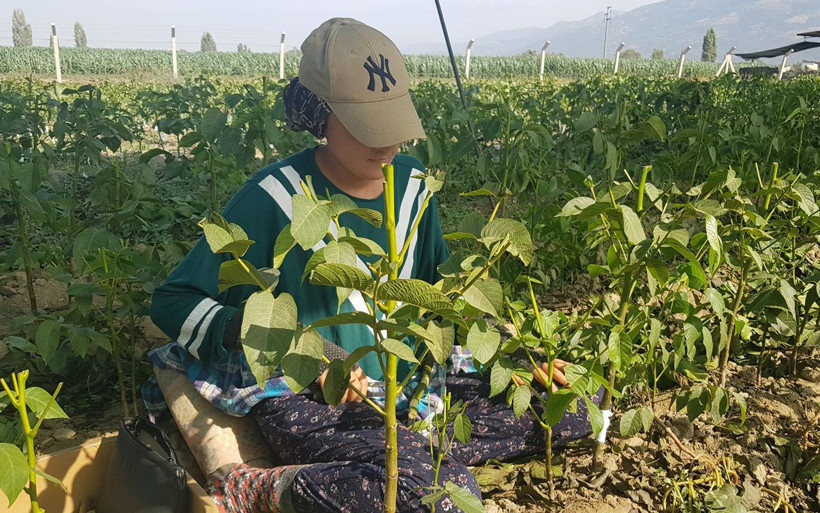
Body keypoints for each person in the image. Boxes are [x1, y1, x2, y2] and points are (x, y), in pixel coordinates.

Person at [144, 18, 600, 513]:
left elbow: (441, 294)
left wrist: (516, 357)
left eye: (392, 123)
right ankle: (264, 488)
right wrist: (307, 352)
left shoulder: (414, 185)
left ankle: (397, 456)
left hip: (408, 380)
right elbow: (173, 302)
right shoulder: (272, 198)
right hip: (313, 398)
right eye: (366, 127)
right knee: (437, 495)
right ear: (319, 115)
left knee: (580, 403)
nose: (387, 145)